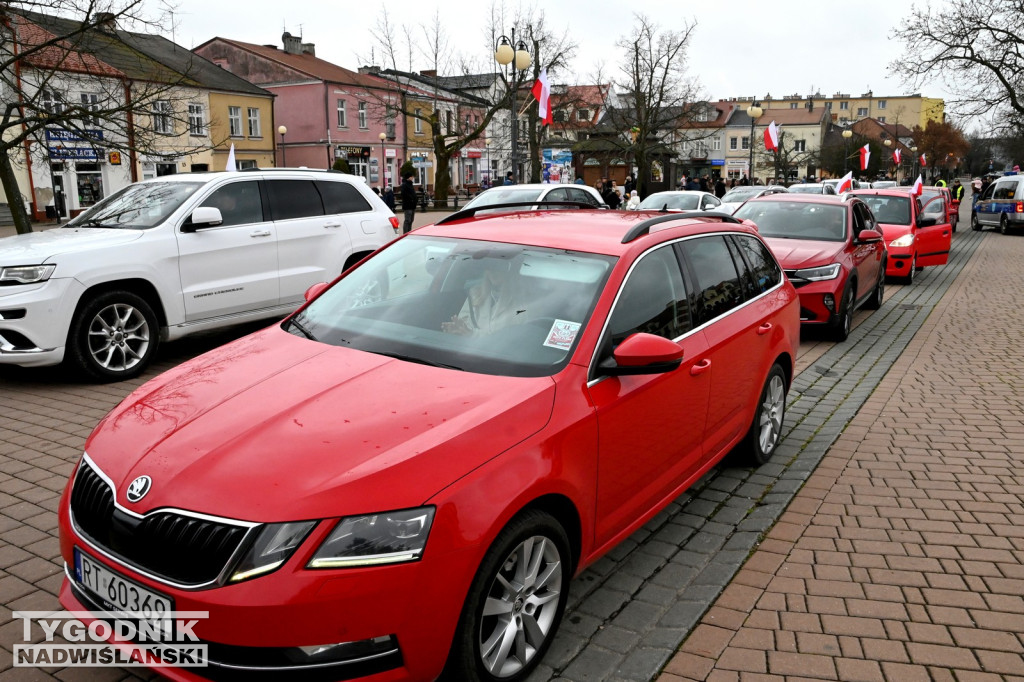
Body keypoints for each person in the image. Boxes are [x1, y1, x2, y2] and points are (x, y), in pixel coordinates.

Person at [441, 266, 524, 336]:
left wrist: (472, 335)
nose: (492, 270)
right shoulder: (474, 293)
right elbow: (464, 325)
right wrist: (458, 329)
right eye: (489, 266)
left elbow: (512, 338)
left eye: (499, 266)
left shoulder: (522, 300)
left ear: (511, 269)